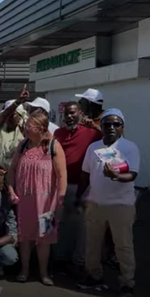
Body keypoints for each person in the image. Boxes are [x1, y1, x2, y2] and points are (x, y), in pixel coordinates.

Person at [77, 109, 139, 297]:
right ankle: (94, 275)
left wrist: (116, 176)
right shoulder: (93, 148)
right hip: (95, 204)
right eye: (107, 124)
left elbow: (133, 174)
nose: (111, 127)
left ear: (122, 128)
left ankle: (127, 283)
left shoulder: (129, 148)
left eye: (116, 124)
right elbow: (85, 175)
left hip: (121, 206)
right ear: (101, 126)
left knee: (123, 246)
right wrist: (79, 196)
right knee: (92, 244)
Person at [7, 111, 67, 286]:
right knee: (24, 238)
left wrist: (59, 201)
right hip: (24, 201)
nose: (25, 128)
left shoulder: (53, 146)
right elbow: (12, 170)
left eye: (29, 126)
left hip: (46, 202)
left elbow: (62, 176)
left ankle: (43, 273)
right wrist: (11, 190)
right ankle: (24, 270)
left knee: (44, 239)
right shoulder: (23, 145)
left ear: (41, 128)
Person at [53, 101, 102, 272]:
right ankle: (61, 258)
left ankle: (79, 261)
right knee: (63, 223)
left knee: (82, 227)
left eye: (73, 113)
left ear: (79, 113)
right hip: (61, 187)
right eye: (67, 113)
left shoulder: (91, 133)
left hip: (83, 186)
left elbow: (112, 141)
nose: (70, 116)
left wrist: (96, 127)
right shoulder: (58, 133)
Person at [0, 99, 28, 177]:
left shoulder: (25, 132)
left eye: (12, 114)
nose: (9, 117)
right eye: (7, 114)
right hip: (0, 176)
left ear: (20, 116)